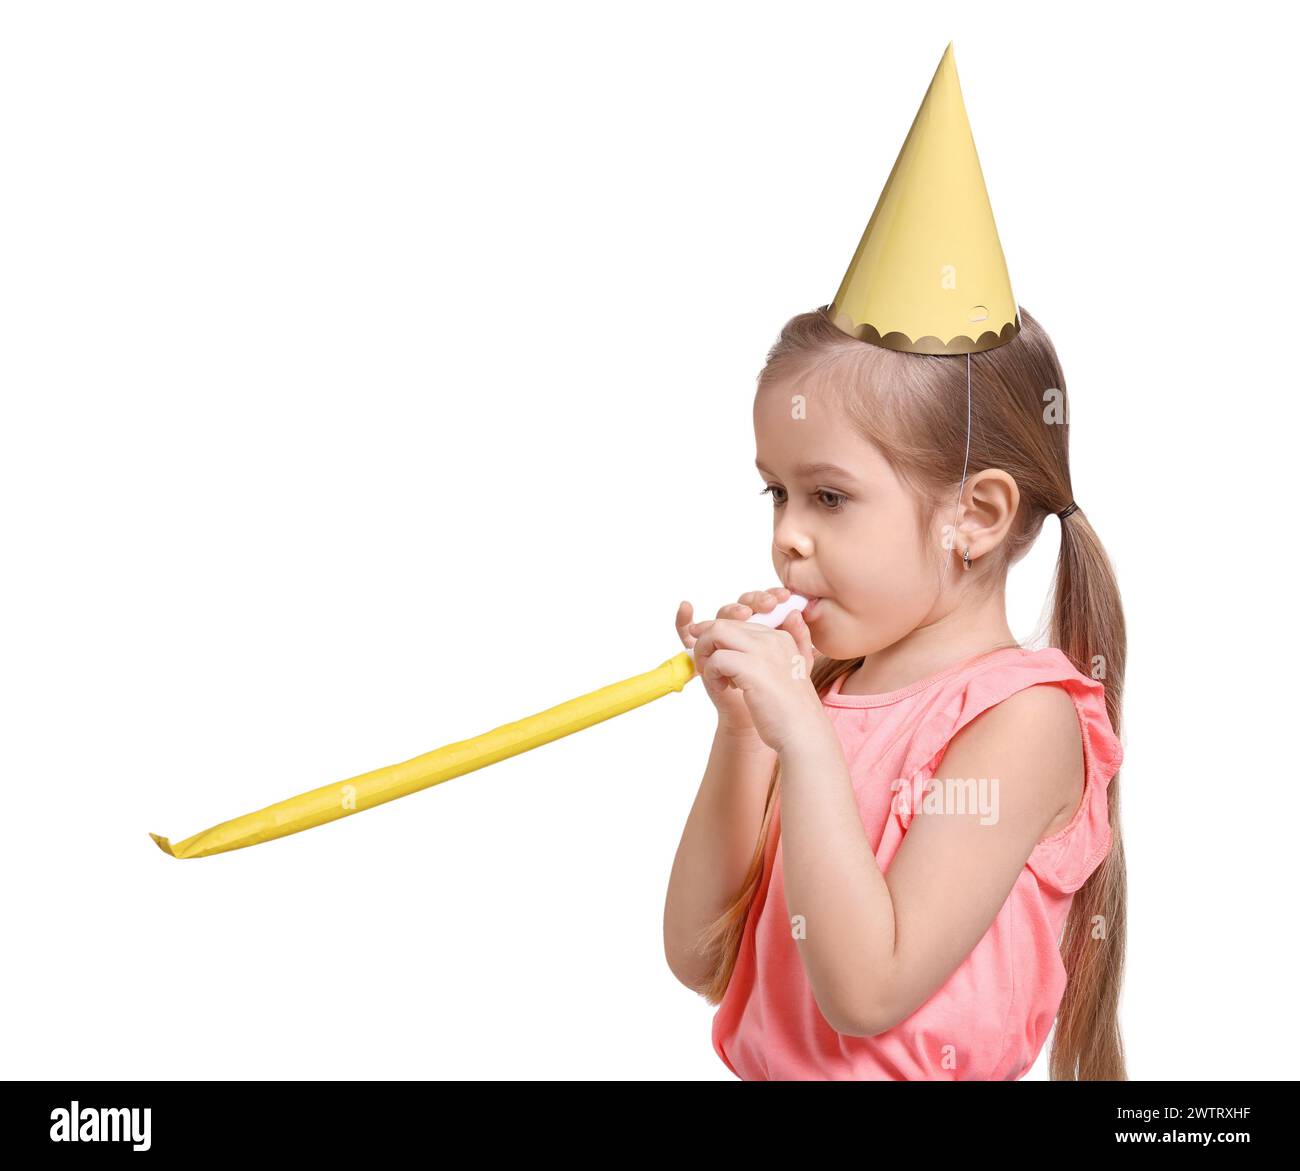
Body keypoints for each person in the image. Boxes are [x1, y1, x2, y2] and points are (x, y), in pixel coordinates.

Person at [663, 46, 1127, 1080]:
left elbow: (866, 989)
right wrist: (746, 736)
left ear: (976, 515)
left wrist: (804, 742)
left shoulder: (1023, 723)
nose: (787, 534)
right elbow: (699, 956)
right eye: (775, 493)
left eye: (827, 496)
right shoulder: (821, 697)